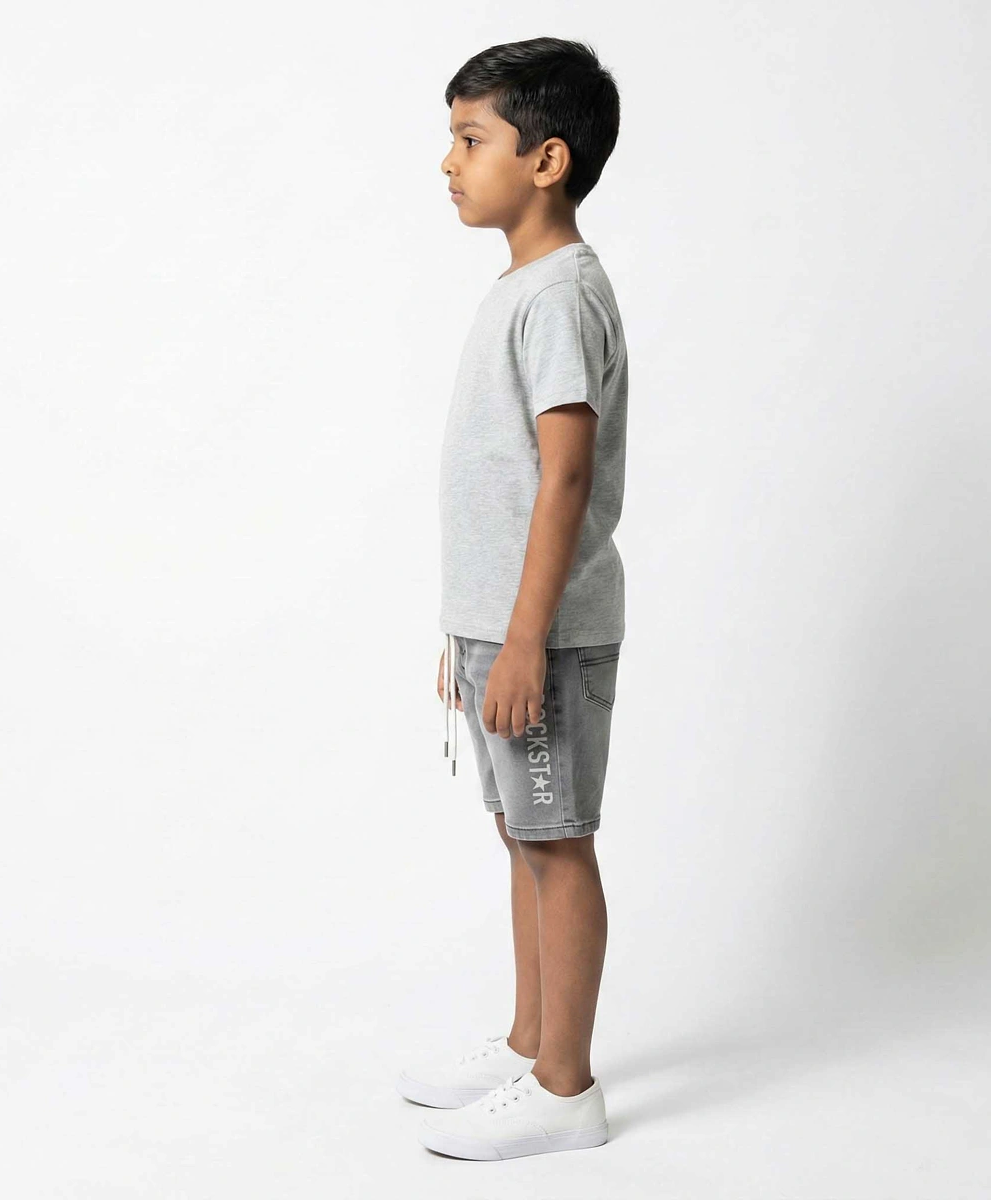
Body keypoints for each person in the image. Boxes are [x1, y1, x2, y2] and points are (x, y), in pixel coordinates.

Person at [397, 37, 627, 1161]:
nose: (449, 161)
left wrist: (527, 638)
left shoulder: (562, 296)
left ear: (546, 159)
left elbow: (564, 476)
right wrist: (475, 633)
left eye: (470, 138)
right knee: (521, 834)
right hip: (500, 630)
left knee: (556, 842)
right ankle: (532, 1042)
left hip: (546, 635)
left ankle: (566, 1090)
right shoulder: (522, 288)